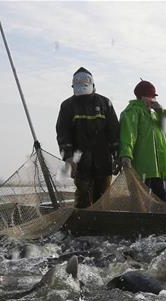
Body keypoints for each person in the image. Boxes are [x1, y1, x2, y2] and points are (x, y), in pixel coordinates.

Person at [56, 67, 120, 209]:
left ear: (93, 85)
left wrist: (117, 156)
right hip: (80, 162)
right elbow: (63, 134)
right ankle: (83, 227)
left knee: (103, 198)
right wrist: (69, 158)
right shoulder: (67, 106)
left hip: (103, 159)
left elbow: (114, 132)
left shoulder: (105, 103)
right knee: (83, 196)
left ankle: (102, 227)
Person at [119, 80, 166, 201]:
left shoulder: (155, 115)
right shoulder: (132, 112)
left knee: (161, 204)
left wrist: (161, 113)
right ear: (142, 97)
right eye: (152, 97)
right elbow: (127, 135)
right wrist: (126, 155)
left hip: (160, 171)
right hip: (141, 170)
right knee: (141, 204)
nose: (154, 100)